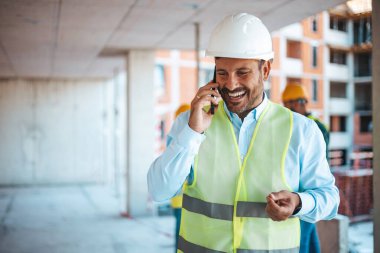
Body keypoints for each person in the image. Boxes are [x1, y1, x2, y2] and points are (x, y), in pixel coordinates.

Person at [148, 13, 339, 253]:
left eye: (242, 72)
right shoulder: (190, 124)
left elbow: (329, 198)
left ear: (266, 70)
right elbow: (158, 190)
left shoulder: (302, 130)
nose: (230, 84)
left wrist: (301, 202)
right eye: (222, 72)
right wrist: (192, 132)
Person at [282, 83, 330, 253]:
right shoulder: (315, 124)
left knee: (300, 241)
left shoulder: (310, 127)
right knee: (310, 239)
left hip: (304, 193)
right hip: (305, 193)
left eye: (288, 104)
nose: (286, 108)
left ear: (299, 103)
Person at [170, 104, 191, 251]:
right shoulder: (185, 141)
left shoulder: (174, 139)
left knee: (180, 236)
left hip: (178, 200)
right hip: (182, 200)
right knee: (182, 236)